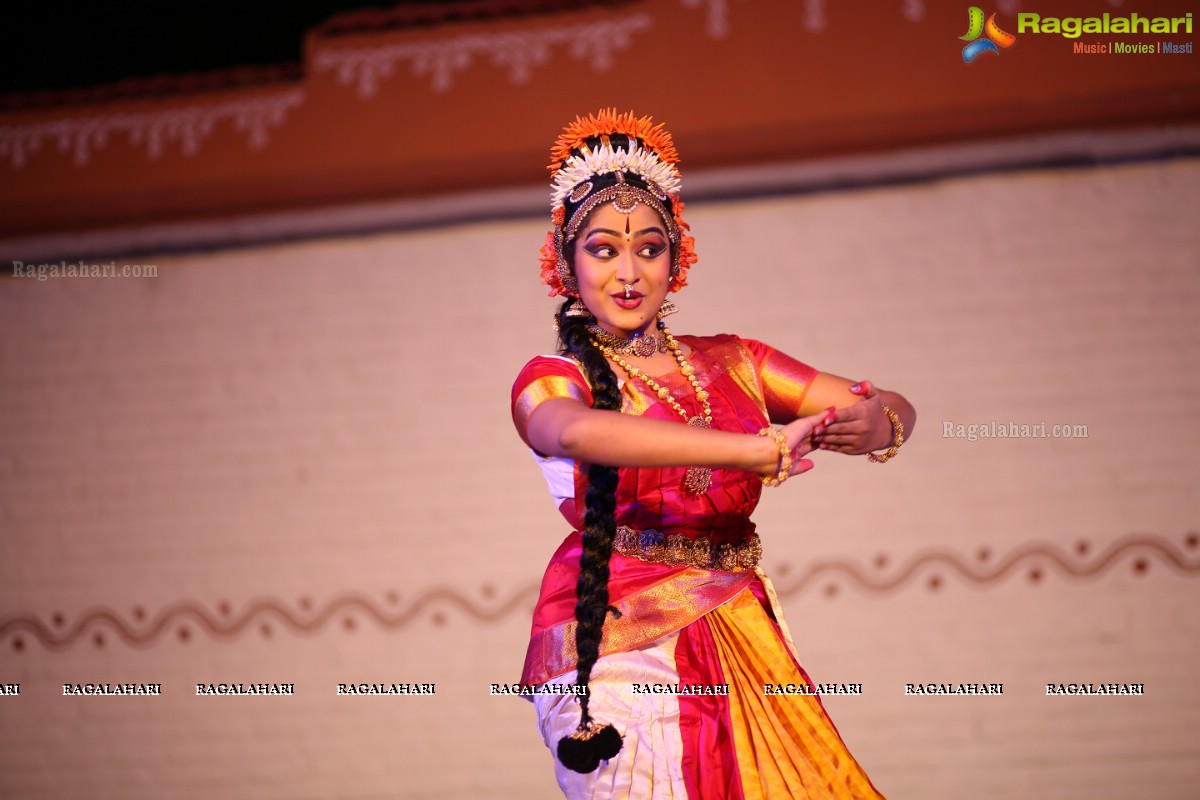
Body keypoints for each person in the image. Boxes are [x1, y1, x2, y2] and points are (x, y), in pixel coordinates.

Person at [510, 109, 915, 799]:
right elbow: (576, 433)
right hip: (614, 643)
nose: (630, 272)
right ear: (565, 263)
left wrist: (876, 426)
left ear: (678, 255)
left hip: (736, 619)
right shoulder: (553, 378)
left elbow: (883, 402)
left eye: (649, 247)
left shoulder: (736, 362)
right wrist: (749, 451)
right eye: (604, 249)